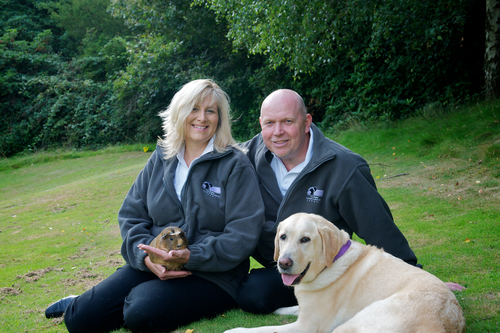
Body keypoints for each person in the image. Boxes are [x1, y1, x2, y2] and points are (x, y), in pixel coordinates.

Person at [45, 79, 265, 333]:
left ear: (220, 118)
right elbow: (131, 215)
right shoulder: (162, 156)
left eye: (210, 111)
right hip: (155, 262)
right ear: (179, 112)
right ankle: (85, 302)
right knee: (80, 319)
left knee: (141, 312)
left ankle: (137, 298)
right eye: (194, 109)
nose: (202, 118)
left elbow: (243, 232)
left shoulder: (235, 164)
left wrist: (192, 255)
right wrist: (144, 257)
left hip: (215, 276)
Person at [237, 89, 419, 314]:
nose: (277, 132)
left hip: (323, 270)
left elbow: (379, 228)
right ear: (260, 124)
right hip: (279, 263)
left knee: (254, 293)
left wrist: (413, 277)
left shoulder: (345, 167)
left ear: (306, 122)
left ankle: (326, 301)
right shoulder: (245, 159)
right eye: (269, 123)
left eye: (287, 121)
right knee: (241, 289)